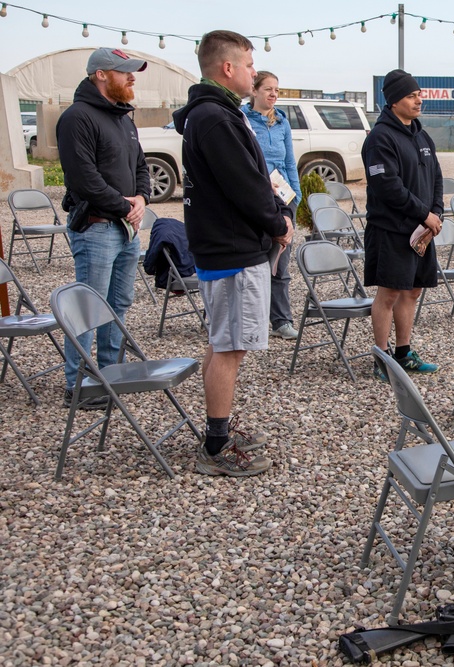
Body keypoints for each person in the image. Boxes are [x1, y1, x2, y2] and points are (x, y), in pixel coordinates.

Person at [173, 30, 294, 477]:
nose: (253, 71)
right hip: (232, 248)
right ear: (227, 68)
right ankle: (216, 445)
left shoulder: (215, 113)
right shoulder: (216, 118)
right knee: (229, 347)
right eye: (248, 64)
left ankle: (216, 428)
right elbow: (244, 184)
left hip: (225, 246)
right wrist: (277, 221)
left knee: (222, 341)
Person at [56, 47, 151, 410]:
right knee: (86, 309)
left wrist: (141, 198)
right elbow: (83, 180)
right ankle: (78, 384)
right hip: (96, 228)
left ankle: (110, 375)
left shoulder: (124, 117)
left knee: (118, 304)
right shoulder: (77, 117)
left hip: (125, 228)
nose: (131, 78)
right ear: (100, 75)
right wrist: (125, 206)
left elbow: (140, 165)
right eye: (124, 72)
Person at [362, 69, 444, 381]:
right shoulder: (380, 138)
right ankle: (380, 358)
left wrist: (434, 213)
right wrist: (425, 214)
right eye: (411, 95)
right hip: (392, 230)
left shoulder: (422, 136)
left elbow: (435, 177)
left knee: (412, 292)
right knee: (390, 294)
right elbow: (388, 187)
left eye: (418, 93)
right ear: (394, 101)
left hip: (422, 230)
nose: (418, 99)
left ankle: (403, 353)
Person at [242, 71, 302, 341]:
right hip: (254, 197)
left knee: (280, 265)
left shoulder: (282, 123)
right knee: (249, 264)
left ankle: (281, 320)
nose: (273, 94)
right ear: (254, 91)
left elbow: (290, 163)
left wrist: (295, 198)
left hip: (283, 199)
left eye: (276, 90)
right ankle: (245, 321)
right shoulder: (242, 120)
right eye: (268, 89)